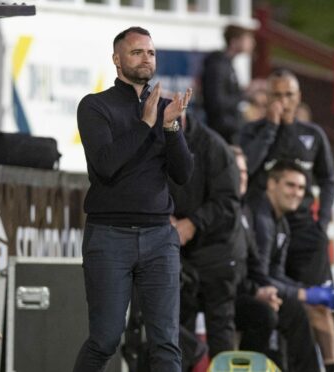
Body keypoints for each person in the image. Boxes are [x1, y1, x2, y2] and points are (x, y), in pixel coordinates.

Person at [73, 26, 194, 372]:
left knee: (166, 343)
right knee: (106, 338)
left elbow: (183, 174)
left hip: (159, 237)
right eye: (136, 52)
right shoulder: (95, 106)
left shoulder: (167, 110)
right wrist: (145, 124)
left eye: (151, 52)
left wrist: (171, 129)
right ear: (117, 59)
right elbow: (106, 164)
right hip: (110, 236)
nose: (146, 58)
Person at [240, 69, 334, 372]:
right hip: (263, 228)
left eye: (289, 95)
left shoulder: (312, 135)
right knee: (269, 301)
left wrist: (321, 222)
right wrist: (270, 127)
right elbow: (245, 169)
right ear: (266, 98)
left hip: (304, 231)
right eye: (276, 95)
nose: (282, 101)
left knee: (319, 306)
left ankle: (332, 365)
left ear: (299, 98)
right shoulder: (251, 132)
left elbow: (329, 179)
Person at [232, 150, 324, 372]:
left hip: (253, 289)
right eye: (290, 185)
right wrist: (300, 293)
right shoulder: (261, 217)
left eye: (301, 188)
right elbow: (260, 274)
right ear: (271, 185)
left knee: (295, 307)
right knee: (291, 310)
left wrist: (303, 289)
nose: (297, 193)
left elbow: (276, 272)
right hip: (237, 291)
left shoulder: (281, 222)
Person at [168, 111, 243, 359]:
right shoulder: (153, 142)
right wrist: (161, 215)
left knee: (220, 334)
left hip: (214, 252)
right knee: (175, 330)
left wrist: (193, 223)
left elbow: (229, 203)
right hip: (174, 253)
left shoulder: (214, 147)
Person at [201, 24, 255, 144]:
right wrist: (244, 94)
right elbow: (216, 102)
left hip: (229, 129)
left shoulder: (227, 64)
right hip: (222, 132)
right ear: (234, 41)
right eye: (248, 39)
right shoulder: (218, 65)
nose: (252, 43)